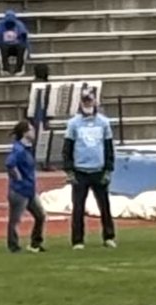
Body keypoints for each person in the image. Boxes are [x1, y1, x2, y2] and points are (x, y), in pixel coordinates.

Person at [63, 89, 116, 249]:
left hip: (98, 170)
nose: (87, 104)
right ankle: (78, 240)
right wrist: (69, 170)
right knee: (78, 207)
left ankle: (109, 236)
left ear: (95, 102)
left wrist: (108, 169)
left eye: (90, 101)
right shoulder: (73, 123)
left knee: (104, 206)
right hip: (80, 171)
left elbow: (108, 147)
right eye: (85, 101)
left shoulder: (104, 123)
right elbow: (68, 148)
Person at [4, 119, 45, 254]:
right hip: (20, 191)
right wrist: (18, 178)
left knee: (40, 215)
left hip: (30, 190)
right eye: (31, 130)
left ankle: (36, 242)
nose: (34, 132)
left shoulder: (26, 148)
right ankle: (13, 245)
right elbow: (10, 164)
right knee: (15, 220)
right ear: (25, 133)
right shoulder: (19, 149)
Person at [0, 9, 30, 76]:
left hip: (15, 47)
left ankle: (19, 69)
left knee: (22, 48)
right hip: (3, 47)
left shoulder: (20, 25)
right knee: (2, 47)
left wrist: (29, 51)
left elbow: (25, 39)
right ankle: (5, 69)